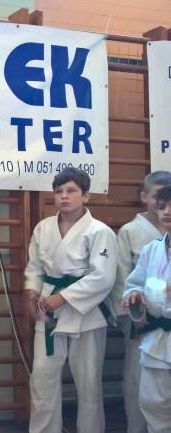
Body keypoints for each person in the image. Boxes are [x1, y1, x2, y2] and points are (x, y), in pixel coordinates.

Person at [24, 167, 117, 433]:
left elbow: (103, 277)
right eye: (58, 191)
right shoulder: (43, 228)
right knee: (42, 379)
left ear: (85, 196)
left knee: (88, 384)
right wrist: (32, 291)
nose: (64, 196)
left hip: (86, 314)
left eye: (71, 191)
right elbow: (35, 267)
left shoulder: (100, 232)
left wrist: (63, 297)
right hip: (48, 310)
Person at [111, 171, 171, 433]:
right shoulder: (151, 249)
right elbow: (131, 283)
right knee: (151, 401)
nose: (167, 212)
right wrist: (134, 301)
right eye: (163, 206)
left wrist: (159, 290)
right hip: (150, 331)